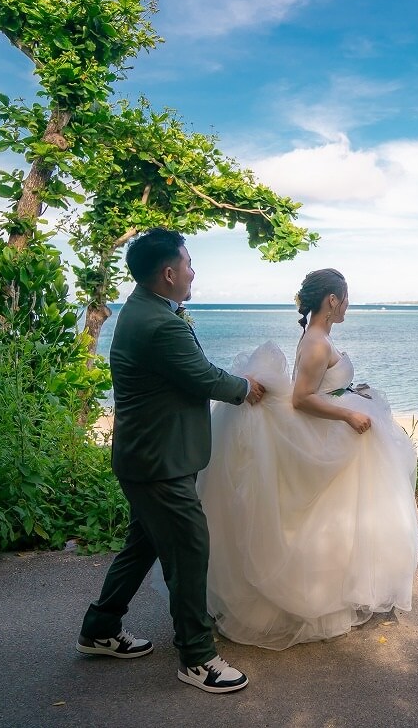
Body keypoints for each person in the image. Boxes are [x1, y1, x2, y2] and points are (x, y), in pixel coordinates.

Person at [77, 228, 265, 694]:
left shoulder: (146, 309)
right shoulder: (160, 323)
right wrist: (245, 389)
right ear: (168, 273)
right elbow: (201, 376)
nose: (192, 271)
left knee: (143, 545)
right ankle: (197, 658)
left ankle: (99, 629)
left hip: (145, 457)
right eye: (187, 264)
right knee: (188, 548)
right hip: (158, 463)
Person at [199, 268, 418, 650]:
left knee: (335, 520)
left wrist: (351, 392)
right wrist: (349, 413)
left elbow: (323, 388)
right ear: (332, 300)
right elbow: (302, 398)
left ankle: (331, 587)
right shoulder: (317, 342)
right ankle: (313, 598)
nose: (348, 304)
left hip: (335, 435)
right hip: (331, 439)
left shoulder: (317, 337)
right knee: (326, 519)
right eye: (346, 297)